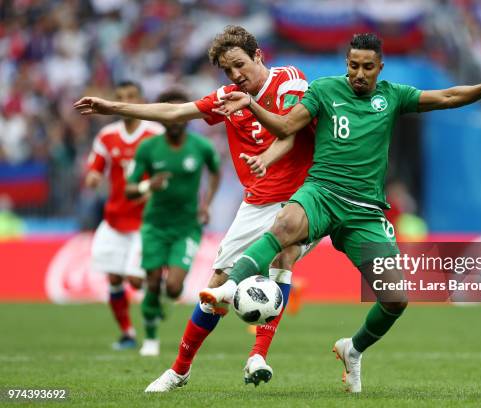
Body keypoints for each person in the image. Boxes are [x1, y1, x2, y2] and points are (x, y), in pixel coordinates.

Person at [204, 33, 481, 393]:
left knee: (395, 298)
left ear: (379, 68)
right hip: (322, 193)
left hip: (363, 212)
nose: (358, 73)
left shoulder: (392, 96)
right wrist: (252, 104)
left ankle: (353, 349)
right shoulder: (325, 89)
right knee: (284, 225)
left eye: (366, 67)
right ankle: (230, 287)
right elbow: (285, 128)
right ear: (346, 64)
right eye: (353, 65)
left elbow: (449, 96)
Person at [74, 25, 315, 390]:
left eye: (239, 65)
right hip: (257, 201)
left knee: (286, 255)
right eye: (227, 70)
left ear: (259, 56)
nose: (235, 75)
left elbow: (290, 129)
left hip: (303, 193)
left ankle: (258, 355)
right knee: (216, 284)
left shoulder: (289, 81)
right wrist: (113, 107)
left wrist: (263, 146)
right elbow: (175, 113)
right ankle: (179, 370)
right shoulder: (227, 97)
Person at [124, 89, 221, 357]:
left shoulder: (201, 147)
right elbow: (129, 190)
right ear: (162, 117)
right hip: (155, 225)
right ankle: (151, 338)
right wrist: (147, 184)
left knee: (174, 287)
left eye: (181, 114)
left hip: (187, 227)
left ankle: (162, 303)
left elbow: (216, 172)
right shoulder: (148, 148)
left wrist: (206, 203)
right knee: (152, 281)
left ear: (188, 117)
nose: (176, 120)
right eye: (170, 113)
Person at [85, 81, 164, 350]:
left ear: (141, 100)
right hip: (115, 219)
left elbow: (165, 172)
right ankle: (128, 334)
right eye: (120, 97)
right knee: (115, 279)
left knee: (136, 280)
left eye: (131, 96)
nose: (126, 101)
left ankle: (154, 304)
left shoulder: (154, 133)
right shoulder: (107, 135)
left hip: (145, 221)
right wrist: (93, 177)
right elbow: (95, 168)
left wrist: (155, 191)